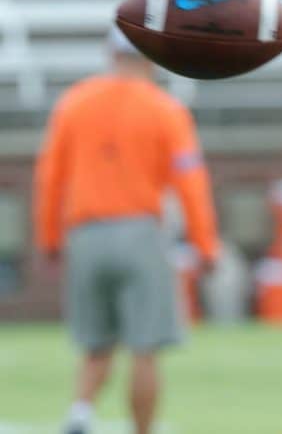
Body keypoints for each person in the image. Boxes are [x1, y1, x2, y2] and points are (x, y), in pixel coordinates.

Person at [34, 26, 220, 434]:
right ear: (151, 59)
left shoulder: (73, 103)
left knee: (95, 342)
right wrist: (205, 244)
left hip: (84, 234)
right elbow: (190, 182)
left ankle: (80, 412)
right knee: (145, 348)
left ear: (110, 54)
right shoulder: (165, 109)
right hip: (140, 233)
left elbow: (50, 177)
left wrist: (49, 238)